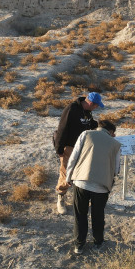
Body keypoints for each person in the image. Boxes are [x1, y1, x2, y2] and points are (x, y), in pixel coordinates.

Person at [61, 120, 122, 254]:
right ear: (111, 131)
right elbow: (116, 169)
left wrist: (68, 177)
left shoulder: (86, 134)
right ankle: (98, 243)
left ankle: (79, 245)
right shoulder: (116, 144)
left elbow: (74, 157)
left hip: (81, 182)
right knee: (98, 215)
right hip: (102, 187)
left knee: (80, 215)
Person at [52, 92, 103, 214]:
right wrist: (59, 149)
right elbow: (62, 128)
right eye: (96, 106)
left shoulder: (87, 111)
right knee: (66, 172)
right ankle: (61, 197)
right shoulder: (71, 109)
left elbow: (90, 123)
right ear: (91, 103)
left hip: (83, 146)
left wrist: (102, 127)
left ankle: (81, 197)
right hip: (69, 147)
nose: (96, 108)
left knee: (83, 171)